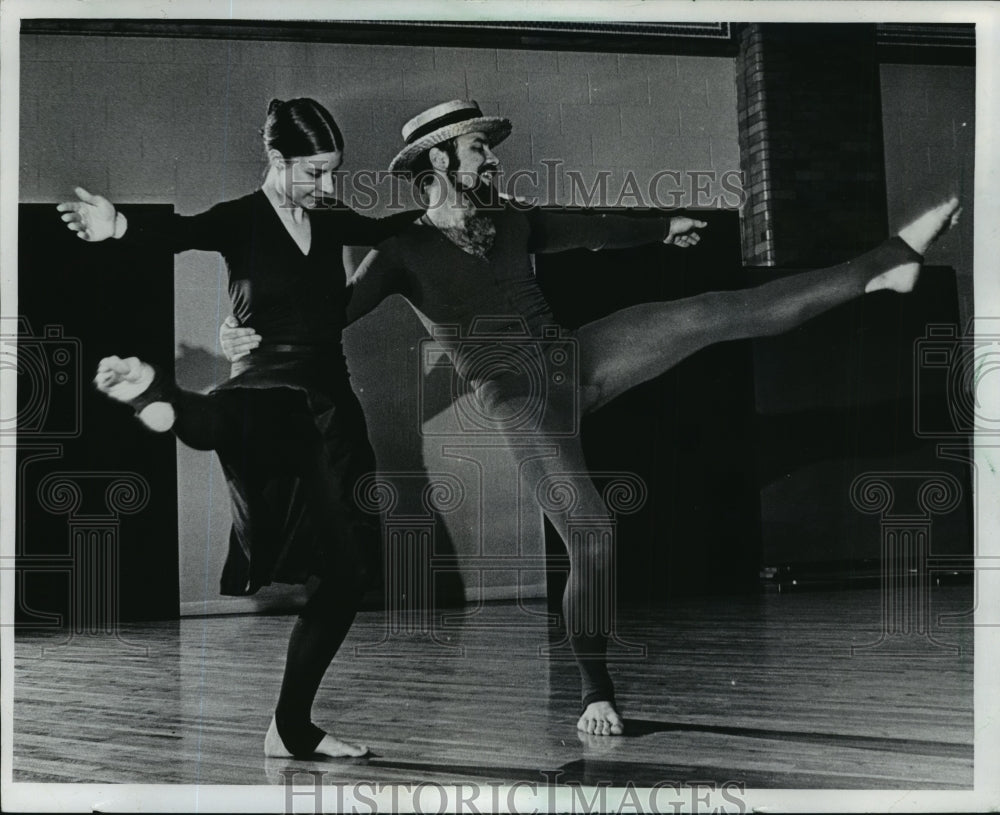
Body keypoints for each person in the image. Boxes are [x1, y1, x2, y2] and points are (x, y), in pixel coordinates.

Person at [218, 99, 961, 738]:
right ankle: (595, 686)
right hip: (523, 398)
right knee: (596, 535)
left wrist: (662, 226)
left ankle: (886, 263)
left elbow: (588, 225)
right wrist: (244, 338)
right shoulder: (399, 250)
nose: (490, 159)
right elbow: (323, 319)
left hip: (578, 360)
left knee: (710, 311)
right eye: (479, 147)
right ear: (440, 159)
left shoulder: (509, 222)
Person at [57, 97, 417, 759]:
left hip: (333, 405)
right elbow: (177, 233)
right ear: (275, 160)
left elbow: (387, 226)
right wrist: (117, 226)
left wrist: (445, 213)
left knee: (348, 573)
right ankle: (161, 398)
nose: (328, 187)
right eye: (314, 172)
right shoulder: (241, 220)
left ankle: (290, 727)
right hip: (268, 387)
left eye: (333, 172)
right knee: (243, 420)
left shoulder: (330, 219)